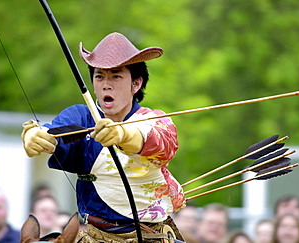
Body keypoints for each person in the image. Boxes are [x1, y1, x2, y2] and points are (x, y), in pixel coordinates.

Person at [21, 32, 186, 242]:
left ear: (136, 84)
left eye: (116, 76)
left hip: (150, 236)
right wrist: (35, 134)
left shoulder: (153, 120)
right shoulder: (82, 116)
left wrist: (123, 134)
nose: (106, 84)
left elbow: (158, 141)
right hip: (95, 235)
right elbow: (55, 132)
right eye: (99, 76)